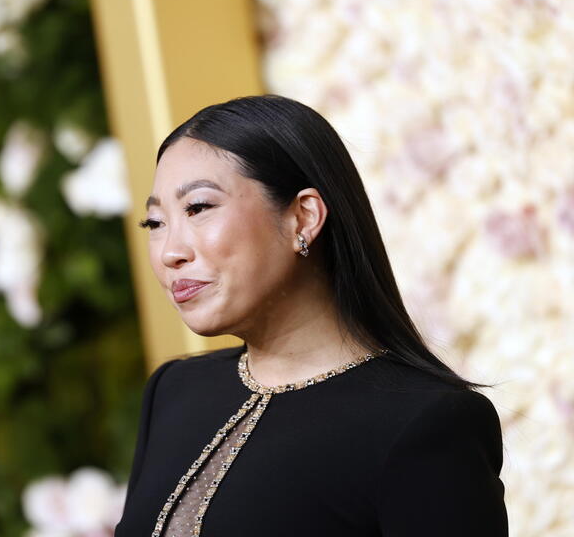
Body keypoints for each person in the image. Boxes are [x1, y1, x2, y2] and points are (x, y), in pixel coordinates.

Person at [114, 95, 508, 536]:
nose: (170, 252)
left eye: (198, 208)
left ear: (303, 217)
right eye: (155, 223)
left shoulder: (425, 423)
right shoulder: (174, 392)